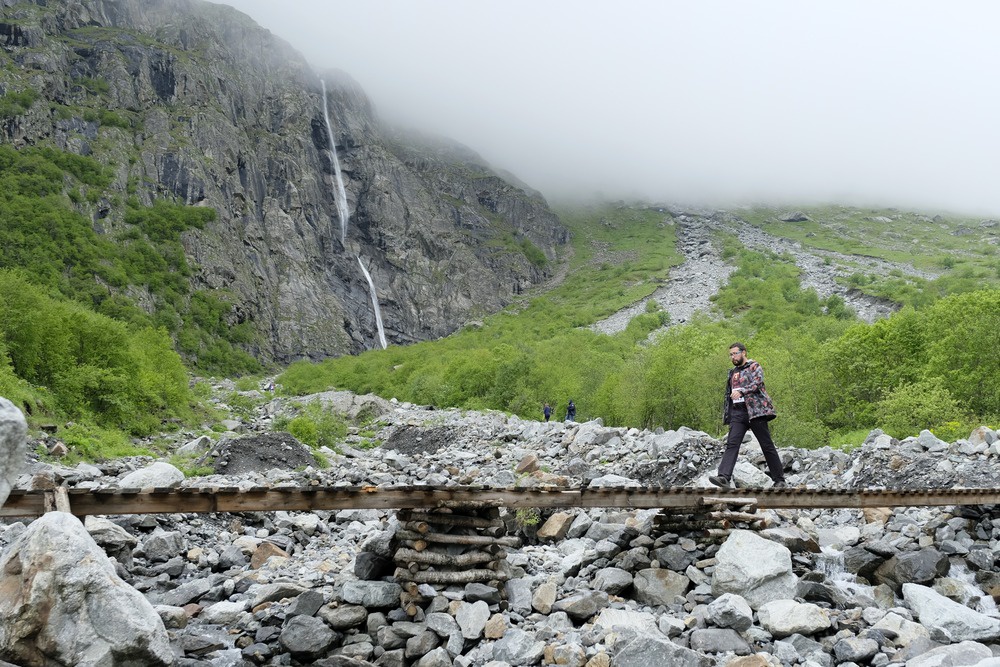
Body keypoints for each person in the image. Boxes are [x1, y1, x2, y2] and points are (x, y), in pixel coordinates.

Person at [709, 343, 786, 488]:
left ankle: (779, 480)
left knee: (766, 445)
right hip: (738, 413)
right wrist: (728, 414)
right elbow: (729, 394)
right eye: (730, 355)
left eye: (735, 353)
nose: (733, 357)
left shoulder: (754, 366)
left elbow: (758, 383)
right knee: (732, 444)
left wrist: (742, 391)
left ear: (743, 352)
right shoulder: (732, 372)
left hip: (755, 412)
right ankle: (724, 477)